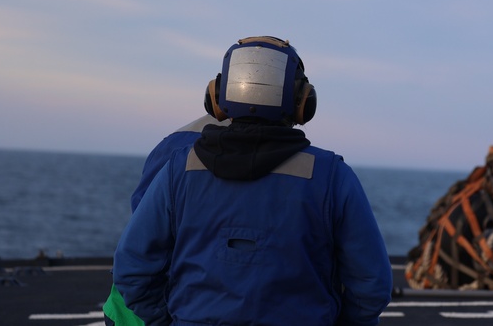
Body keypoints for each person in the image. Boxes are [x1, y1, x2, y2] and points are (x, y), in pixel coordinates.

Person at [113, 36, 393, 326]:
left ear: (217, 97)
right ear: (302, 102)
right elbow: (371, 285)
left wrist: (164, 322)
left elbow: (132, 268)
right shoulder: (333, 177)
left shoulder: (179, 169)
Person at [103, 93, 233, 325]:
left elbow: (140, 241)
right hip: (167, 308)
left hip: (128, 309)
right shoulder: (262, 154)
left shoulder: (174, 141)